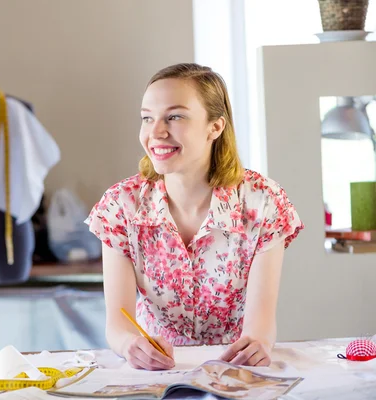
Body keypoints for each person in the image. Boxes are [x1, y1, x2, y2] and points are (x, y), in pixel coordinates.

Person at [85, 63, 303, 371]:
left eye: (174, 116)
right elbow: (119, 322)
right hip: (155, 374)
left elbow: (260, 325)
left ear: (215, 127)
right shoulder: (121, 206)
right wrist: (131, 346)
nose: (156, 132)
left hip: (235, 372)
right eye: (147, 118)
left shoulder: (263, 201)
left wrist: (257, 346)